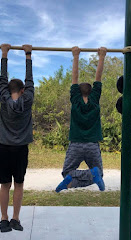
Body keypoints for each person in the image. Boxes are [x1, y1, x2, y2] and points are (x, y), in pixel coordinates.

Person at [56, 46, 107, 193]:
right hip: (92, 145)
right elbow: (98, 76)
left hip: (76, 144)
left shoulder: (76, 100)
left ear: (77, 92)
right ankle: (91, 174)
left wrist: (76, 56)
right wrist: (102, 57)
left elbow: (74, 77)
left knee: (67, 173)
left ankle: (73, 181)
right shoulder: (95, 100)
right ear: (93, 92)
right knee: (99, 174)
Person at [0, 43, 34, 232]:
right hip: (21, 149)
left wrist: (4, 53)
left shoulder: (4, 99)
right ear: (24, 90)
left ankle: (4, 219)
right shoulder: (28, 100)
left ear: (8, 90)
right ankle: (15, 219)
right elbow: (30, 79)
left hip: (5, 147)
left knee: (5, 185)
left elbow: (3, 79)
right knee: (19, 184)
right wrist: (28, 54)